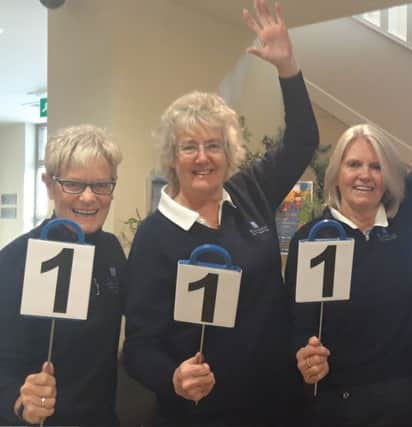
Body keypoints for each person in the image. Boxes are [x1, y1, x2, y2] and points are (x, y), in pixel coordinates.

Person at [122, 1, 319, 425]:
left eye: (213, 145)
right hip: (200, 413)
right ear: (172, 158)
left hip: (277, 403)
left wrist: (288, 67)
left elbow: (303, 140)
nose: (203, 157)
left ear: (229, 153)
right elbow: (138, 347)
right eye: (189, 146)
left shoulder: (250, 191)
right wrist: (172, 376)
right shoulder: (155, 236)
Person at [285, 9, 412, 427]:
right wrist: (302, 355)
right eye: (353, 165)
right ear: (337, 173)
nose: (364, 175)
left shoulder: (403, 218)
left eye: (375, 165)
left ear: (387, 177)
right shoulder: (312, 239)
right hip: (338, 403)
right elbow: (298, 324)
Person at [0, 125, 125, 426]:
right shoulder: (13, 261)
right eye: (73, 184)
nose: (88, 198)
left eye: (101, 185)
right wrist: (18, 402)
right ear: (49, 184)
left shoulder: (111, 251)